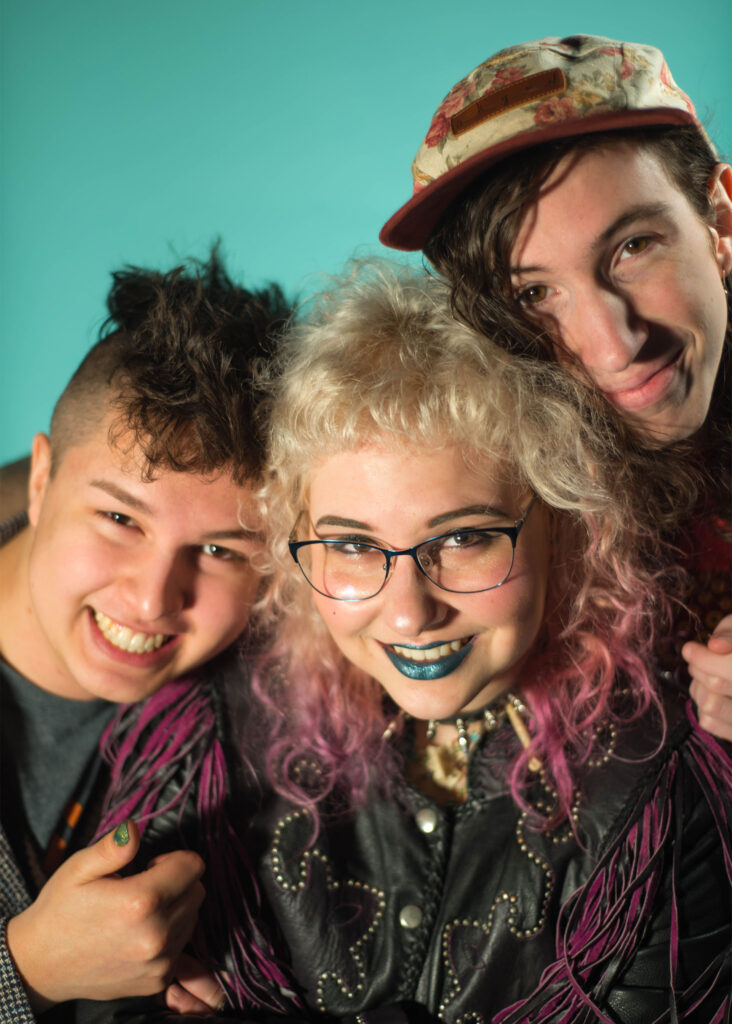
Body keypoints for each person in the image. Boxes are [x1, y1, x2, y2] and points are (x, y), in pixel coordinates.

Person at [83, 265, 731, 1024]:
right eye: (353, 546)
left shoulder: (659, 783)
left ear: (568, 524)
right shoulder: (210, 738)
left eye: (463, 538)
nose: (409, 612)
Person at [379, 34, 732, 742]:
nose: (616, 343)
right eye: (535, 293)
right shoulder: (468, 485)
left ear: (722, 224)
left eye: (634, 248)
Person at [0, 250, 292, 1021]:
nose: (152, 598)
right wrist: (25, 970)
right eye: (120, 518)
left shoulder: (274, 694)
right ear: (40, 479)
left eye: (221, 551)